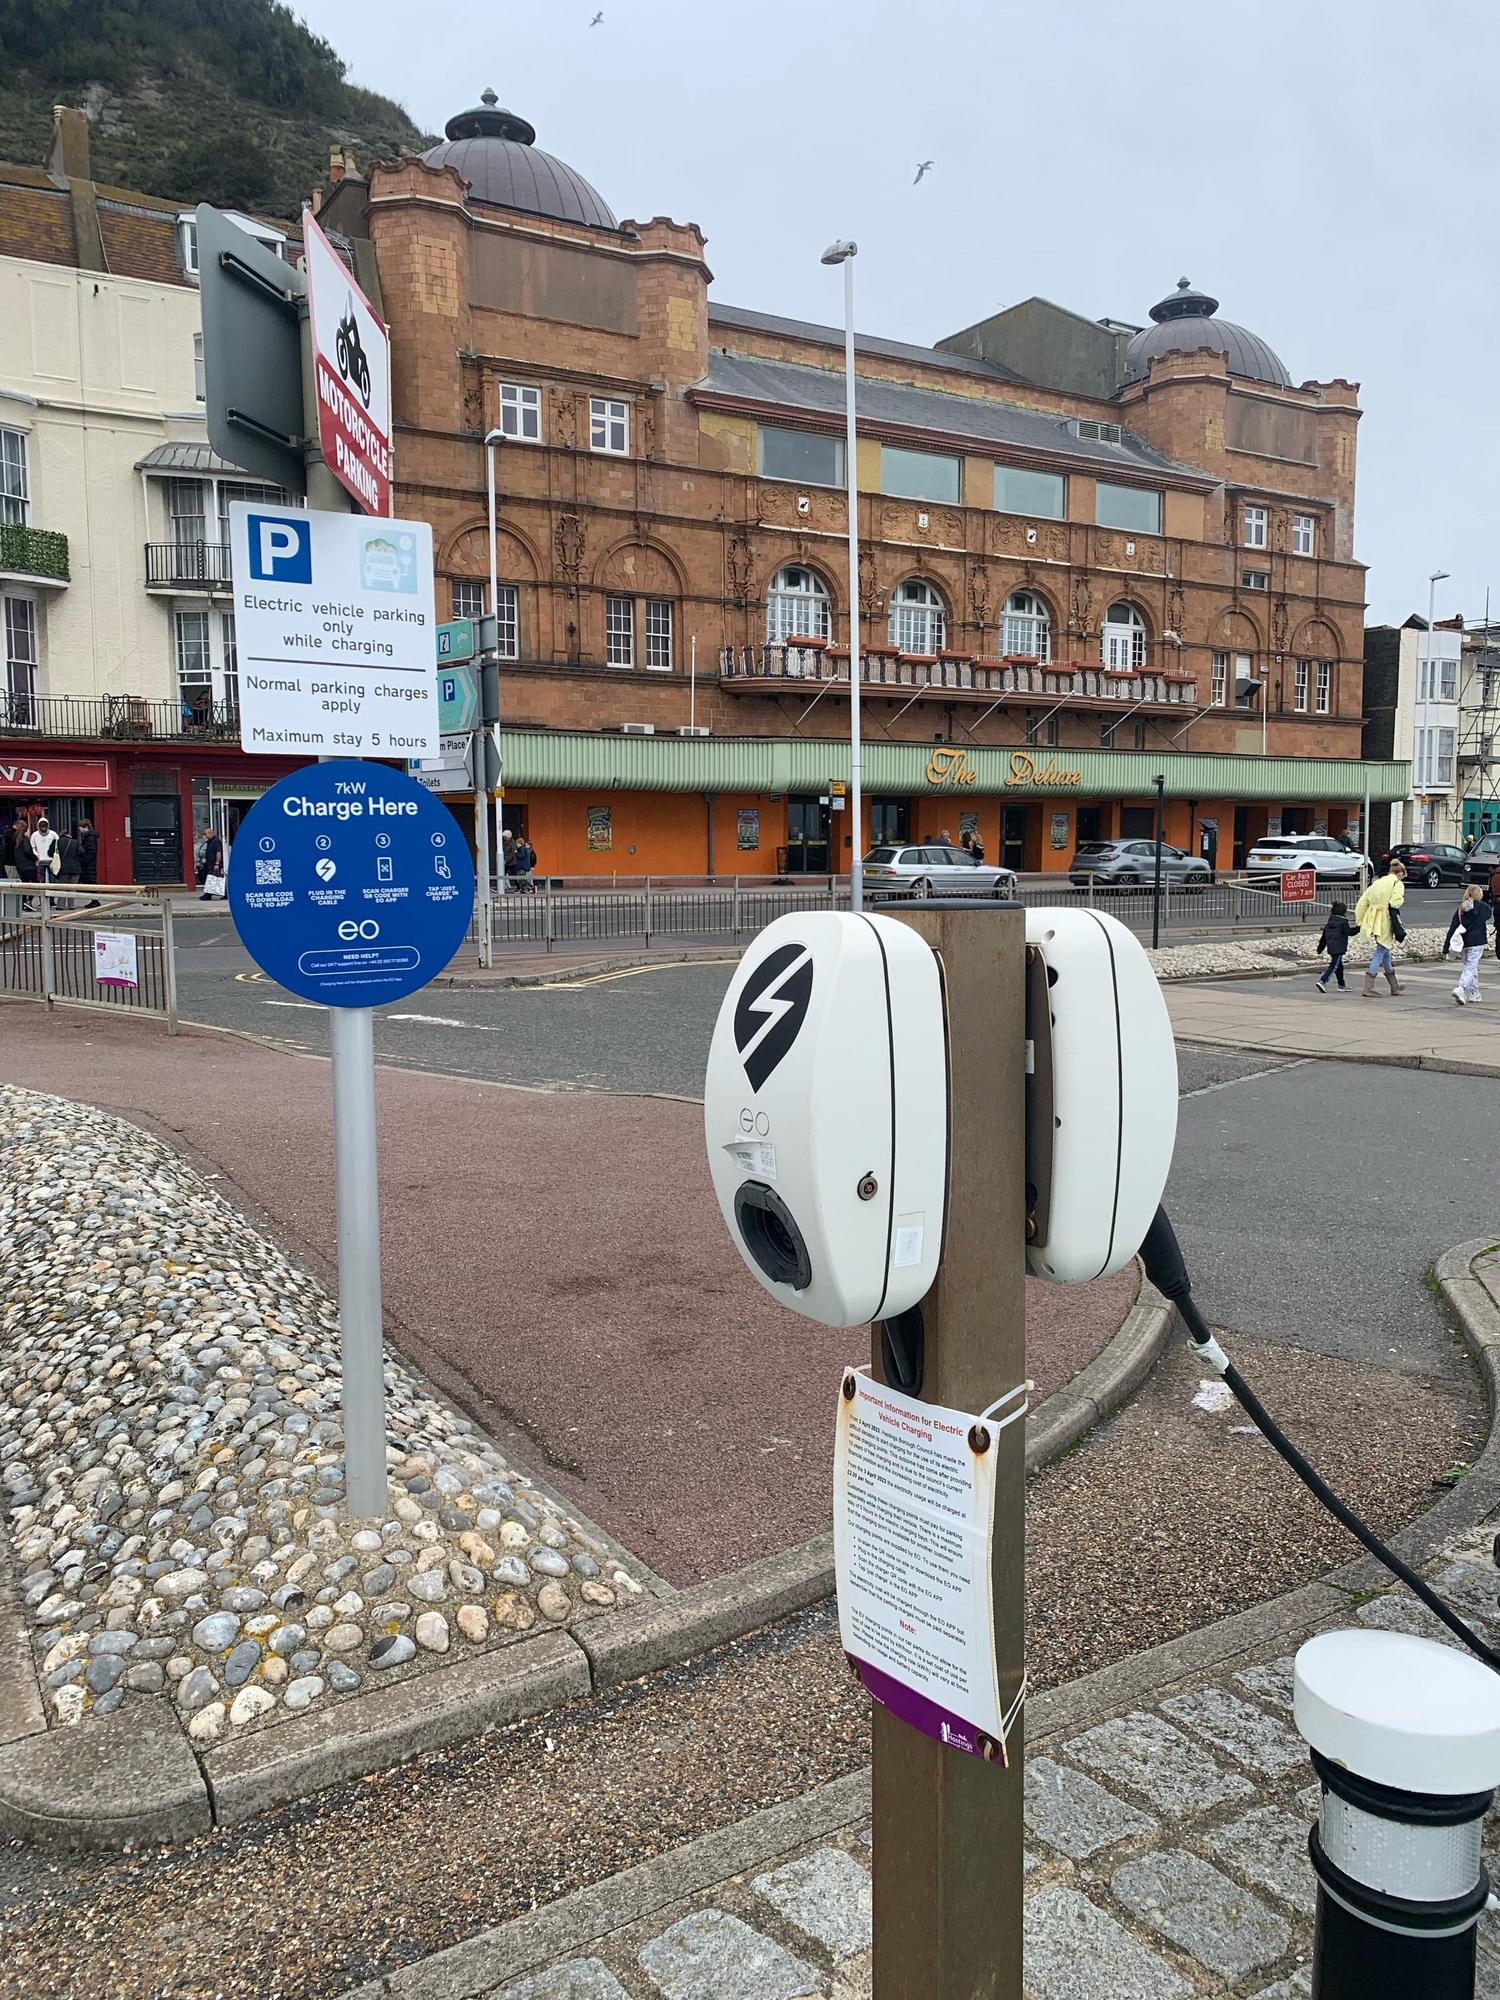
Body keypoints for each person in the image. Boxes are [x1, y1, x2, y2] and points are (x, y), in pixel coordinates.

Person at [1354, 856, 1407, 998]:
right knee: (1381, 950)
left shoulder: (1378, 882)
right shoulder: (1397, 883)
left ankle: (1394, 986)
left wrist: (1360, 921)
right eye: (1403, 876)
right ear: (1400, 873)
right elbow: (1394, 903)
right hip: (1385, 919)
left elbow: (1362, 903)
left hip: (1373, 919)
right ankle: (1368, 986)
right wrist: (1400, 900)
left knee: (1386, 950)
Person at [1445, 885, 1491, 1006]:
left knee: (1470, 967)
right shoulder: (1483, 907)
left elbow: (1453, 927)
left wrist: (1446, 947)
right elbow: (1488, 915)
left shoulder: (1460, 909)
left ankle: (1473, 992)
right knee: (1471, 967)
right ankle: (1460, 988)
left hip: (1463, 942)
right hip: (1477, 941)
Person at [1314, 899, 1356, 994]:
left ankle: (1341, 985)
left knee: (1339, 966)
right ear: (1343, 913)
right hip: (1339, 948)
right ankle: (1323, 981)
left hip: (1331, 947)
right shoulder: (1343, 923)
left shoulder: (1329, 923)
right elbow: (1350, 932)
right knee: (1334, 966)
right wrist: (1360, 928)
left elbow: (1323, 938)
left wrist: (1319, 949)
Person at [53, 825, 81, 909]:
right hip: (75, 868)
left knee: (62, 887)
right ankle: (71, 905)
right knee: (72, 888)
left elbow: (51, 851)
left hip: (63, 868)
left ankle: (60, 905)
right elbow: (82, 851)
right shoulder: (75, 842)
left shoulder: (57, 842)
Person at [13, 823, 39, 911]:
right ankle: (28, 900)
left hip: (20, 866)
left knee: (25, 884)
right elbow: (28, 851)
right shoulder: (25, 840)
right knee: (36, 884)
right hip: (28, 866)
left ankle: (24, 902)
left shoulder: (17, 841)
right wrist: (35, 858)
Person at [77, 817, 100, 906]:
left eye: (81, 828)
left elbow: (91, 852)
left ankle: (95, 901)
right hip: (89, 864)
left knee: (91, 882)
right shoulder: (89, 837)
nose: (80, 830)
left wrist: (83, 861)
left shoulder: (90, 838)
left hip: (89, 865)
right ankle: (94, 901)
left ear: (86, 827)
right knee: (90, 882)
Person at [197, 823, 223, 897]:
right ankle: (211, 893)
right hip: (209, 863)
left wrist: (217, 863)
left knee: (212, 878)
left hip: (213, 863)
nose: (204, 835)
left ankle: (208, 894)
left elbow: (218, 852)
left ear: (210, 833)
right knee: (211, 878)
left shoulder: (216, 841)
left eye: (205, 834)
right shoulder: (209, 842)